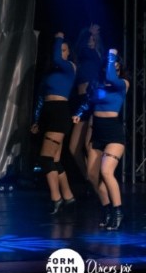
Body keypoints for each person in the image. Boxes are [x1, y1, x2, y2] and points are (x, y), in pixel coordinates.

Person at [73, 49, 129, 230]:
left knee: (106, 172)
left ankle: (118, 211)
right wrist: (78, 113)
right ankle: (107, 209)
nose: (112, 69)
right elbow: (88, 101)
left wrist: (112, 56)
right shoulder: (97, 84)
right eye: (110, 66)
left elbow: (112, 77)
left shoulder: (122, 84)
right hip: (97, 132)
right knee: (92, 175)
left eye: (116, 67)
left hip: (113, 133)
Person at [30, 33, 76, 215]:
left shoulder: (69, 67)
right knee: (55, 160)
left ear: (68, 52)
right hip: (48, 113)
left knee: (45, 158)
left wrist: (58, 38)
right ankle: (68, 197)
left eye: (64, 50)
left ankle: (56, 198)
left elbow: (57, 58)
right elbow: (41, 98)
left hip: (59, 112)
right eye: (59, 49)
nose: (60, 53)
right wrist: (36, 120)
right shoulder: (49, 73)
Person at [68, 24, 103, 188]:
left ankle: (98, 183)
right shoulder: (81, 55)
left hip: (91, 101)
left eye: (93, 39)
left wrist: (92, 33)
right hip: (79, 100)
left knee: (89, 147)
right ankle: (89, 179)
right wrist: (87, 33)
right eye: (89, 38)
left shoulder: (96, 55)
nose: (91, 41)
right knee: (73, 148)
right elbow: (79, 47)